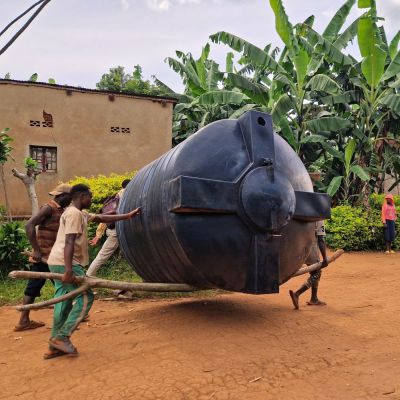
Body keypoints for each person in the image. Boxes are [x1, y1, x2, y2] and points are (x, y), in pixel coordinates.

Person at [44, 184, 140, 359]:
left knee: (63, 302)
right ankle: (62, 337)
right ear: (81, 196)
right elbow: (70, 242)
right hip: (67, 263)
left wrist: (127, 215)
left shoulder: (78, 212)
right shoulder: (74, 214)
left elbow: (101, 217)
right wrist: (68, 269)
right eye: (89, 196)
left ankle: (54, 344)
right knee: (86, 297)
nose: (92, 199)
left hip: (54, 261)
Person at [14, 184, 72, 332]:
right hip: (44, 257)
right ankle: (24, 320)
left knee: (63, 286)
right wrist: (36, 250)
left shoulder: (61, 209)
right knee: (36, 287)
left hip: (54, 257)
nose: (71, 200)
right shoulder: (49, 208)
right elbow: (29, 225)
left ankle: (68, 315)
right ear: (62, 196)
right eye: (69, 197)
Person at [86, 179, 130, 277]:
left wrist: (98, 235)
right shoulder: (127, 195)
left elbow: (104, 217)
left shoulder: (115, 197)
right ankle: (89, 276)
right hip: (117, 232)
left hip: (114, 230)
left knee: (103, 255)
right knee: (103, 255)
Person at [289, 220, 329, 310]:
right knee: (317, 273)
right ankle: (297, 294)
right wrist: (325, 258)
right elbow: (321, 239)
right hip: (310, 249)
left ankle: (314, 298)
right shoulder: (319, 219)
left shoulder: (303, 214)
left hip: (298, 247)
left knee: (315, 271)